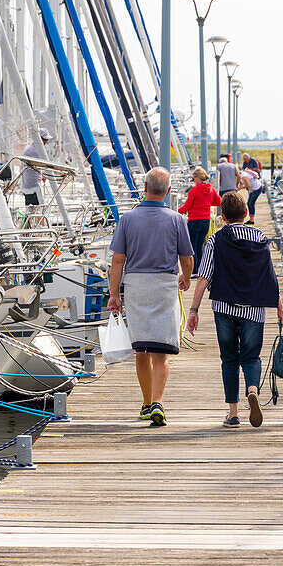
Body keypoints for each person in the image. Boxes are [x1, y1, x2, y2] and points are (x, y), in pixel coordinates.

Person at [188, 191, 283, 428]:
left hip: (224, 307)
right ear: (245, 213)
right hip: (254, 309)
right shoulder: (260, 237)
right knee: (251, 357)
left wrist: (193, 310)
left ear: (222, 216)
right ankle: (252, 389)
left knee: (229, 359)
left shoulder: (216, 240)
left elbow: (203, 277)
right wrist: (280, 307)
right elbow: (269, 276)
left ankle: (233, 413)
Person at [107, 167, 193, 427]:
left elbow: (117, 260)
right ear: (168, 191)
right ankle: (157, 401)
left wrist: (114, 294)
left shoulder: (128, 219)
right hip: (164, 285)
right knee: (161, 351)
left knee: (141, 349)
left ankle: (146, 403)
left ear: (144, 188)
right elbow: (187, 259)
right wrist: (186, 279)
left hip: (136, 286)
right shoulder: (177, 220)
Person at [177, 167, 221, 277]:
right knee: (200, 246)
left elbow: (187, 207)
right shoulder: (211, 189)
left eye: (193, 178)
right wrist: (206, 204)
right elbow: (218, 201)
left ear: (197, 177)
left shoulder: (194, 191)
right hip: (205, 221)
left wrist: (174, 211)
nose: (193, 180)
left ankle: (194, 271)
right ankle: (201, 271)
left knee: (192, 247)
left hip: (194, 221)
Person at [20, 128, 52, 206]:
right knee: (40, 210)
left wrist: (42, 176)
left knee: (30, 210)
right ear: (38, 138)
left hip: (26, 185)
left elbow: (35, 167)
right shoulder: (36, 151)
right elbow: (47, 165)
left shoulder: (28, 148)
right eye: (44, 139)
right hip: (34, 185)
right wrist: (60, 173)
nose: (46, 142)